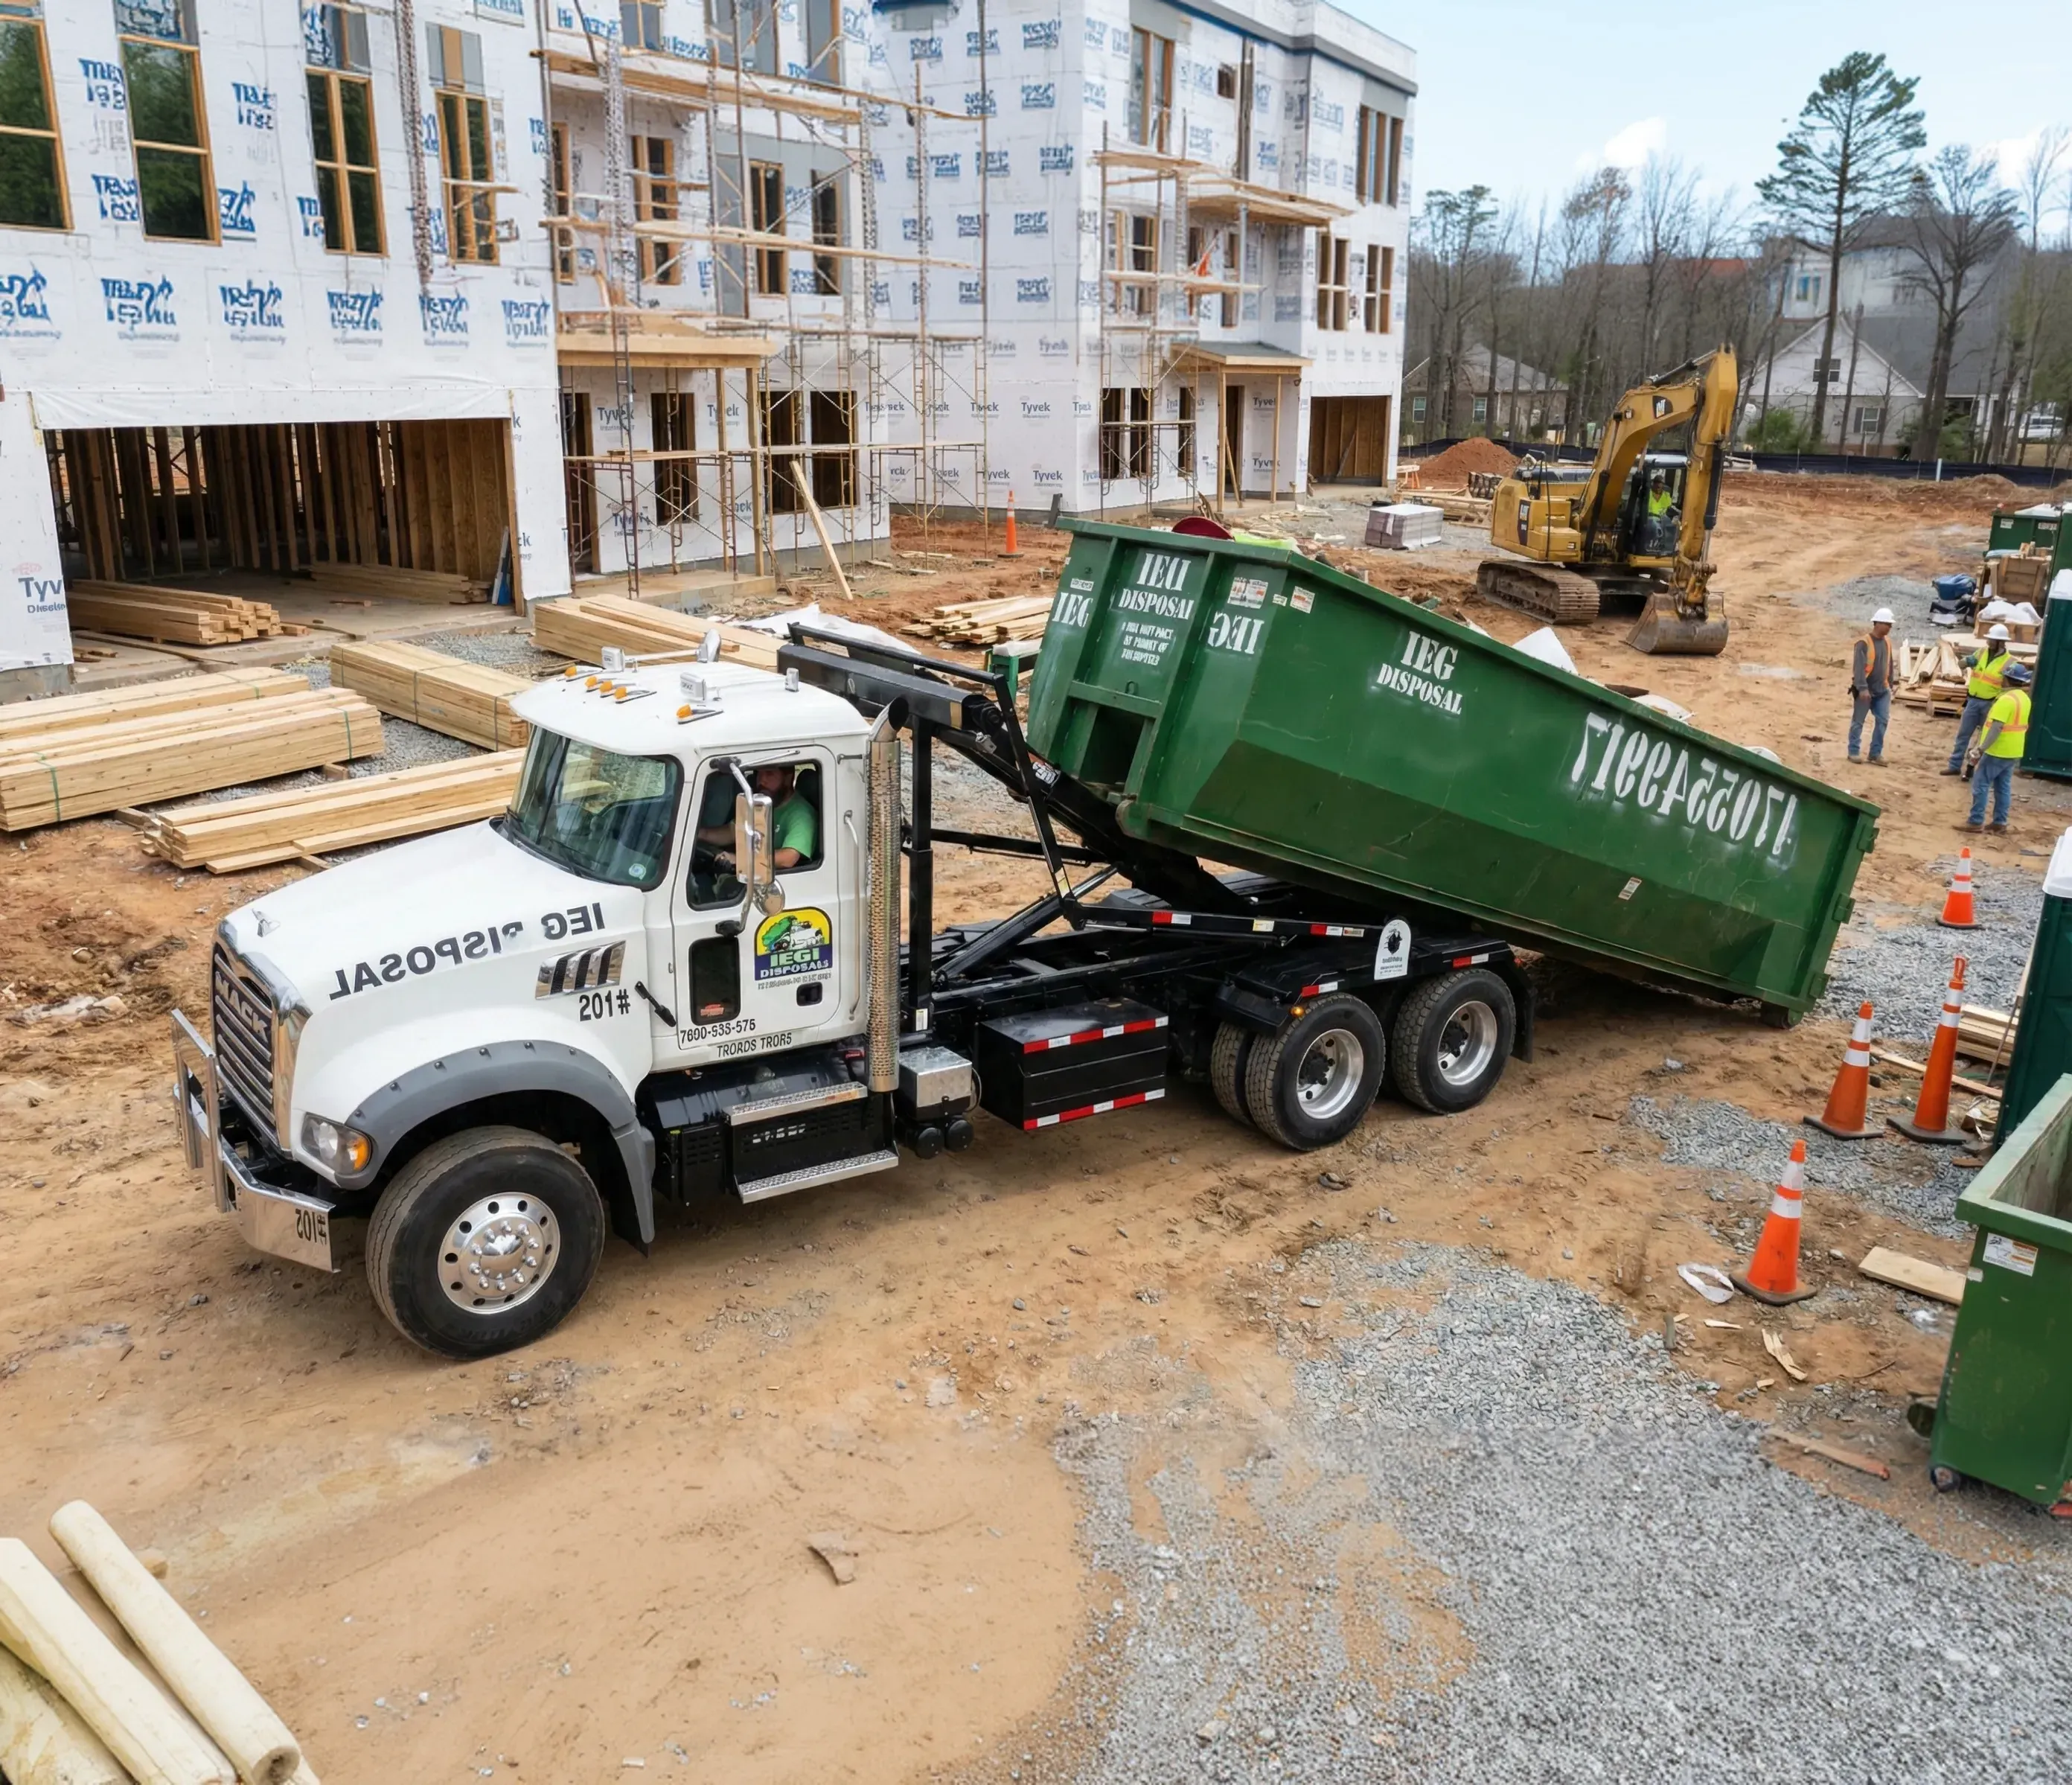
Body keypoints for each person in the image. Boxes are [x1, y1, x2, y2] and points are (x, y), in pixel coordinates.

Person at [697, 763, 818, 871]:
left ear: (787, 778)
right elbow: (732, 832)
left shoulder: (801, 814)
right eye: (759, 773)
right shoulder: (762, 804)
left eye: (769, 774)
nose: (762, 781)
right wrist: (700, 834)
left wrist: (740, 860)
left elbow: (788, 858)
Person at [1962, 661, 2032, 834]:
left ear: (2008, 679)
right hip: (2013, 751)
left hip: (1997, 750)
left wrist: (1981, 749)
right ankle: (2000, 822)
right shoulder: (2024, 698)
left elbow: (1996, 727)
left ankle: (1976, 821)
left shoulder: (2005, 701)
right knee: (2003, 787)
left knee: (1981, 784)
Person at [1942, 623, 2013, 776]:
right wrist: (1965, 662)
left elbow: (2009, 687)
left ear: (2001, 642)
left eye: (1992, 640)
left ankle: (1973, 769)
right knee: (1963, 735)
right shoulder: (1981, 653)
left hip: (1991, 704)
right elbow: (1961, 665)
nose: (1988, 642)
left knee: (1983, 740)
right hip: (1973, 701)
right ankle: (1954, 766)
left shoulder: (2009, 662)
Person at [1849, 607, 1896, 766]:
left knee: (1883, 721)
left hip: (1882, 690)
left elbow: (1889, 664)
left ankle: (1875, 753)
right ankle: (1853, 751)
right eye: (1888, 624)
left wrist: (1891, 683)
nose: (1890, 628)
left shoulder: (1887, 642)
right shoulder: (1864, 643)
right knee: (1858, 722)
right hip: (1865, 691)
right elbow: (1859, 667)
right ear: (1878, 623)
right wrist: (1862, 688)